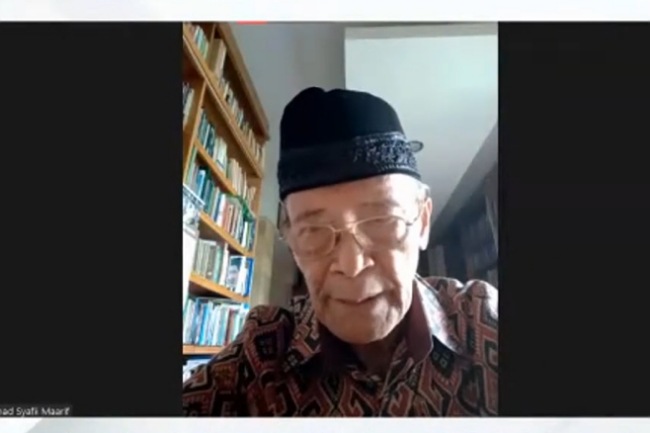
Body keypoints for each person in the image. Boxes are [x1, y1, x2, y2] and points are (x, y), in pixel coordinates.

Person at [182, 87, 498, 416]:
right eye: (313, 230)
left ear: (422, 223)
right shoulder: (261, 356)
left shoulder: (483, 322)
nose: (351, 265)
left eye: (382, 221)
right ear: (292, 242)